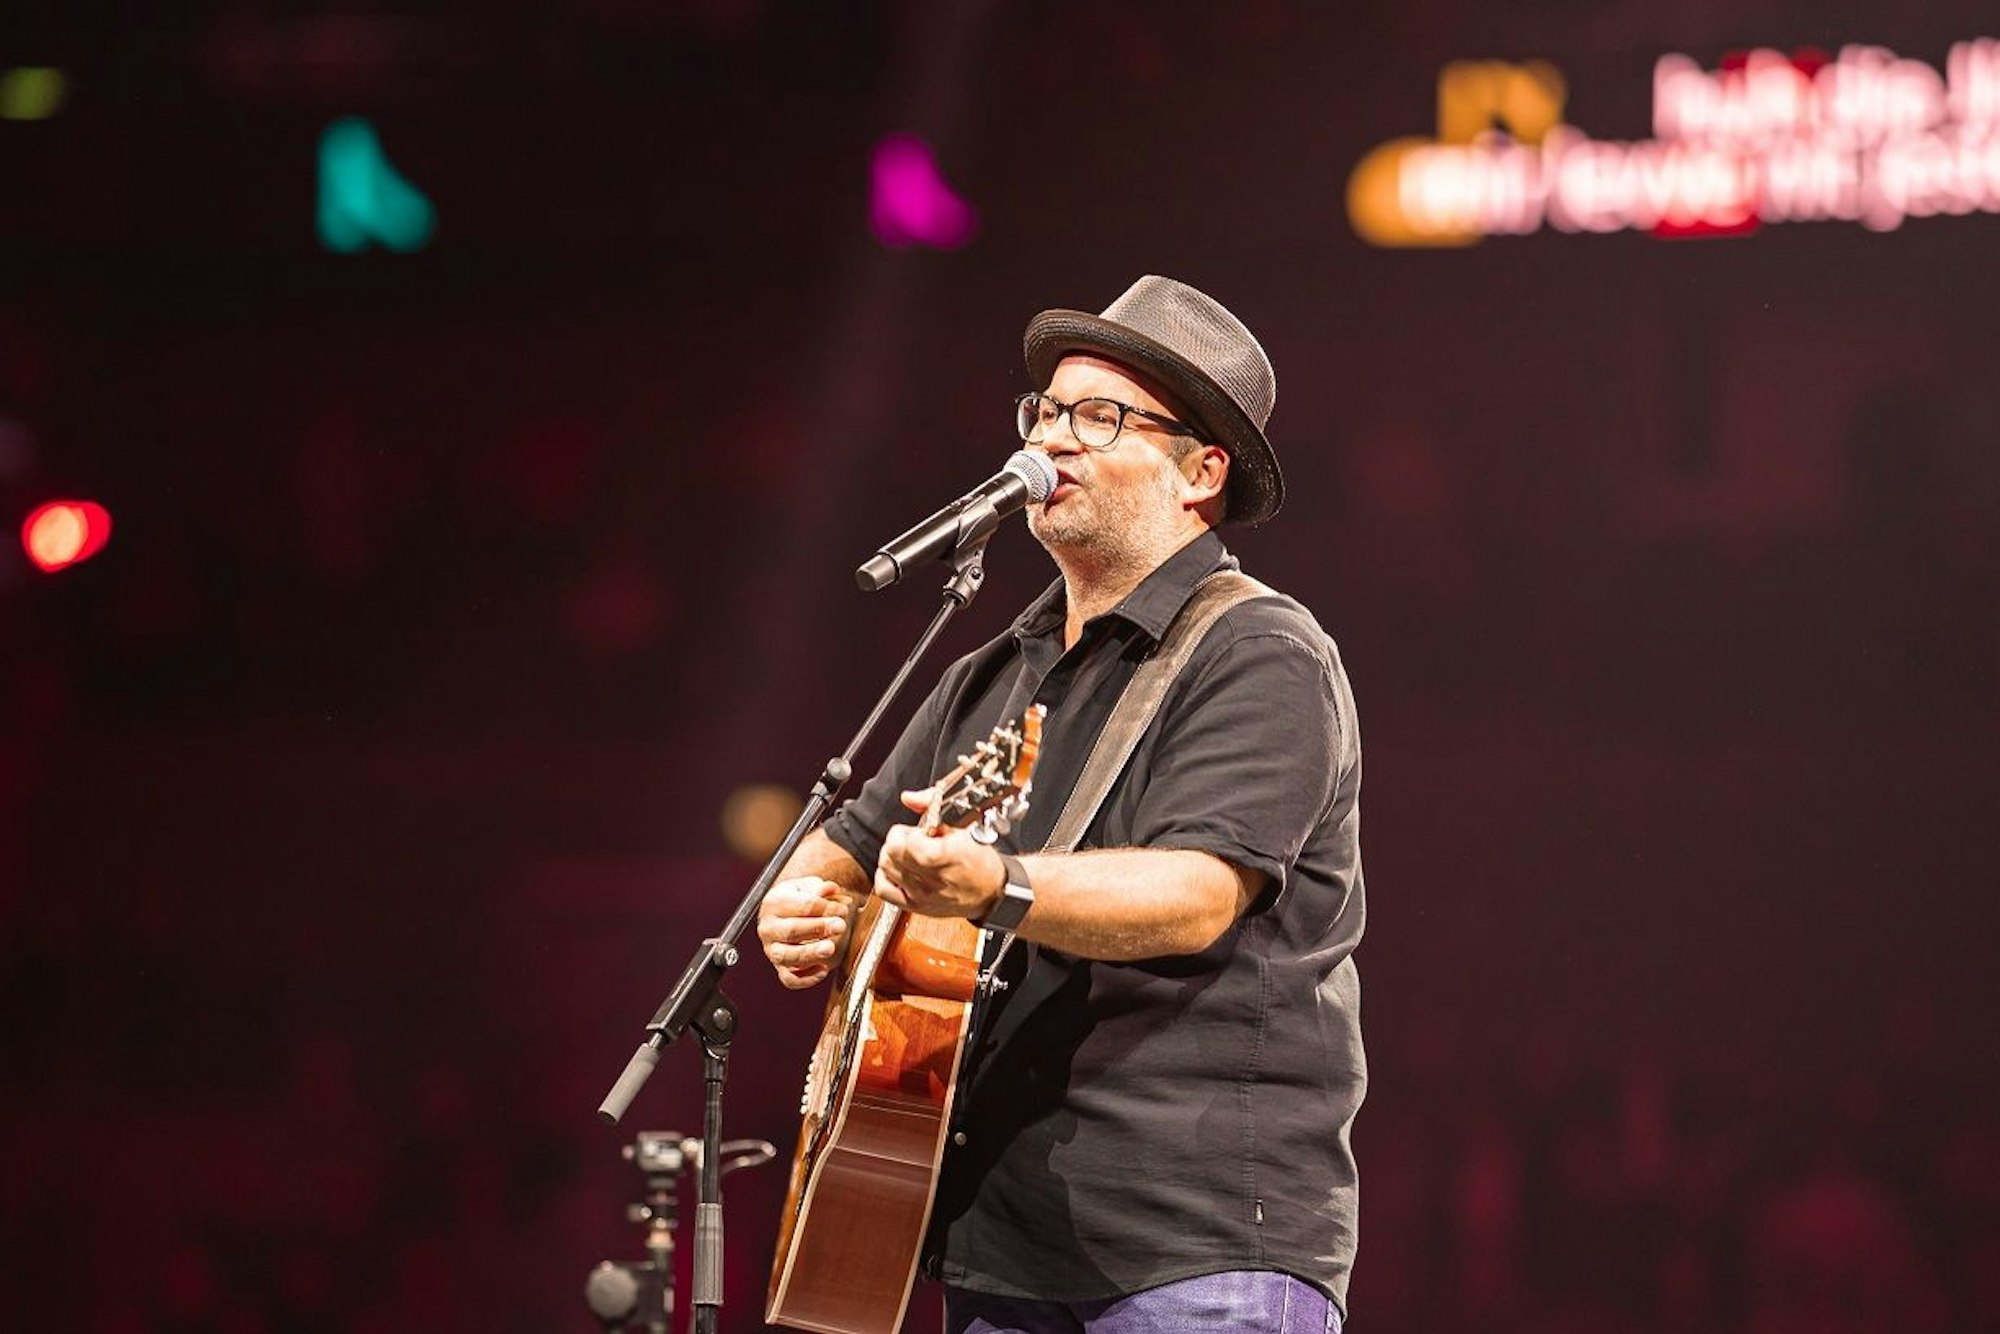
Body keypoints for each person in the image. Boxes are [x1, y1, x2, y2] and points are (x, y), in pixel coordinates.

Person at [757, 275, 1364, 1334]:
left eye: (1101, 416)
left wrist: (996, 883)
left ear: (1198, 473)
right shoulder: (987, 676)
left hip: (1195, 1247)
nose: (1054, 438)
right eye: (1045, 411)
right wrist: (796, 903)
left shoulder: (1258, 651)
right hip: (996, 1247)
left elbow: (1195, 890)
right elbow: (842, 846)